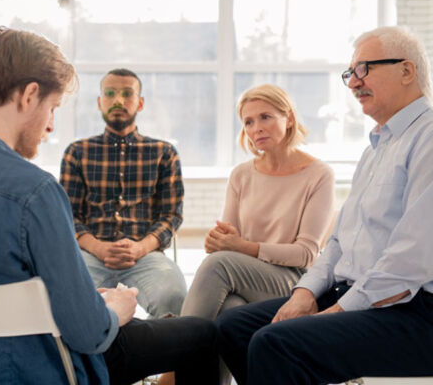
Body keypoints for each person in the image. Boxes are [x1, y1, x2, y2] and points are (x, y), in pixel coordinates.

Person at [0, 27, 219, 385]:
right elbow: (90, 334)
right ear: (30, 95)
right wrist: (116, 309)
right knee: (203, 335)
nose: (50, 125)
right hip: (48, 367)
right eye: (53, 108)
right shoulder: (34, 191)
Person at [216, 26, 433, 385]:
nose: (352, 82)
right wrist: (304, 293)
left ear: (407, 71)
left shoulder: (427, 140)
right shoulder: (375, 148)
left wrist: (336, 311)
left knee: (276, 343)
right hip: (356, 293)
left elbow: (410, 261)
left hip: (410, 311)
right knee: (232, 327)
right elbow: (337, 242)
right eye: (350, 73)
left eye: (364, 69)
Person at [181, 84, 335, 320]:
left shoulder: (319, 174)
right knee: (229, 308)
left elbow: (305, 254)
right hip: (245, 273)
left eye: (265, 117)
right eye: (249, 122)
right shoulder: (241, 174)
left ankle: (175, 344)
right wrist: (217, 241)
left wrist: (240, 247)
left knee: (218, 265)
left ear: (290, 119)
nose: (257, 129)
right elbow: (228, 241)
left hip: (295, 281)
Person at [60, 68, 187, 318]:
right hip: (90, 255)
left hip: (145, 254)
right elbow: (66, 215)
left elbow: (171, 215)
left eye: (127, 94)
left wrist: (140, 248)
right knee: (64, 299)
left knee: (175, 298)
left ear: (139, 103)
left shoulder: (164, 152)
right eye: (110, 93)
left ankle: (152, 352)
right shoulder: (77, 152)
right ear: (99, 102)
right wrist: (98, 247)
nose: (118, 100)